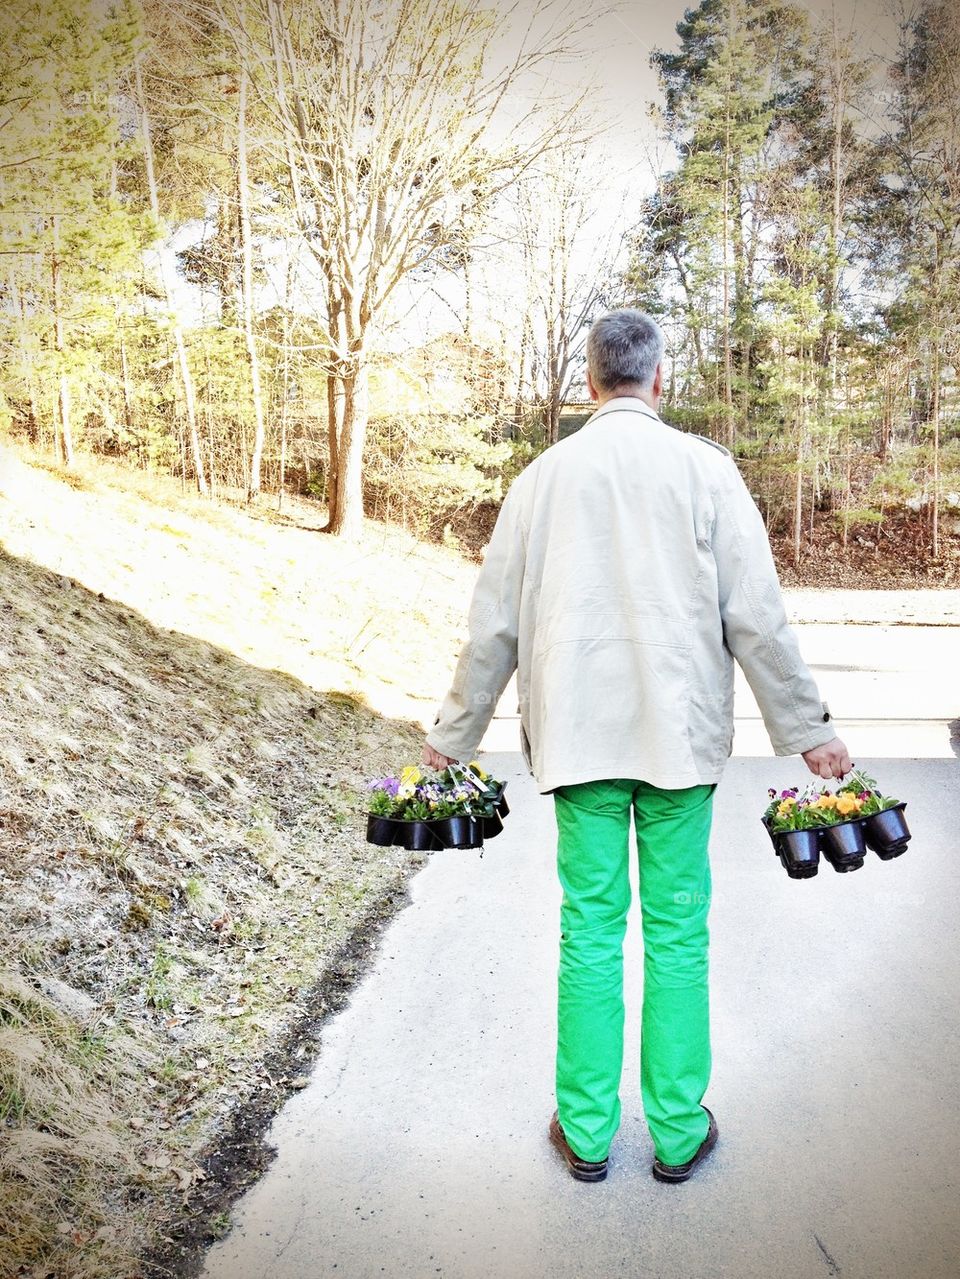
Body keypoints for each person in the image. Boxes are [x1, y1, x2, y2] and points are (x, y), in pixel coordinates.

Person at [422, 308, 850, 1184]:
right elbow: (756, 617)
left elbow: (493, 623)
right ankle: (678, 1133)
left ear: (588, 381)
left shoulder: (540, 479)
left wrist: (453, 737)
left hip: (580, 744)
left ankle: (584, 1135)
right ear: (660, 381)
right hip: (678, 746)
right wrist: (807, 732)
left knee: (589, 929)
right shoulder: (706, 472)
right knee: (677, 932)